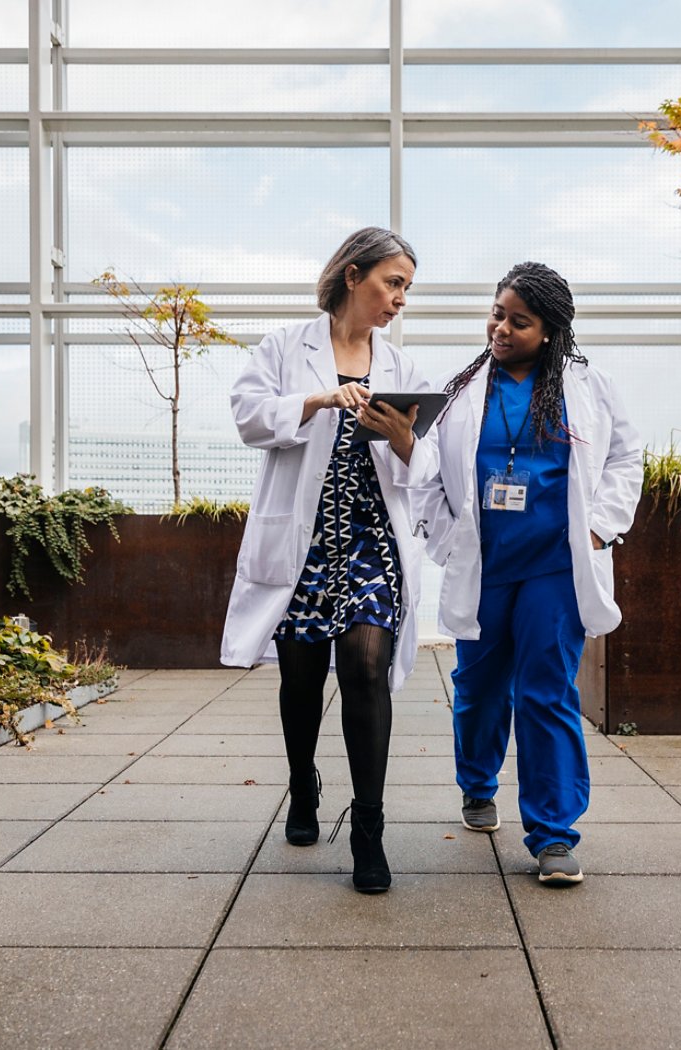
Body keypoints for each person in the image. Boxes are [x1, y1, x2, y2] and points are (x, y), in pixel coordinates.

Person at [221, 227, 436, 894]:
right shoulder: (287, 348)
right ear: (353, 275)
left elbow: (425, 467)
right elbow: (248, 417)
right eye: (391, 282)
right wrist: (314, 401)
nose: (399, 299)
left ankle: (368, 828)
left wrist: (402, 437)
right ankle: (302, 783)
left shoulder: (401, 370)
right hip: (305, 546)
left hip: (372, 543)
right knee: (303, 679)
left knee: (368, 666)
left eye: (405, 288)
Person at [413, 261, 642, 885]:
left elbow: (626, 456)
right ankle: (477, 782)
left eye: (519, 321)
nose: (501, 329)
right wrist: (446, 536)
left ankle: (554, 834)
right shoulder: (459, 387)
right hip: (484, 564)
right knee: (480, 688)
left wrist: (598, 529)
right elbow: (426, 469)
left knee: (547, 691)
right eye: (497, 313)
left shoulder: (587, 385)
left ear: (550, 331)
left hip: (556, 567)